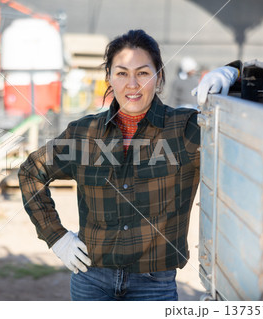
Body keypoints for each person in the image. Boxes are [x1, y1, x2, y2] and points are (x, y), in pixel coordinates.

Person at [18, 29, 239, 301]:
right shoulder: (84, 133)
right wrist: (57, 237)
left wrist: (233, 74)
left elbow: (242, 129)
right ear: (109, 77)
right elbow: (31, 171)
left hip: (153, 286)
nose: (132, 84)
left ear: (159, 78)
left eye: (143, 73)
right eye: (121, 73)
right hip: (91, 281)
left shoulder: (185, 130)